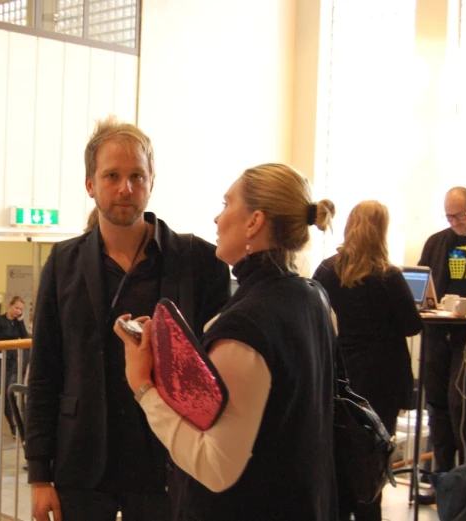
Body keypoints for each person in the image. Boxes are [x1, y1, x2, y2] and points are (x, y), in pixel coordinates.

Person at [25, 116, 231, 521]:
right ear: (90, 185)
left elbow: (219, 371)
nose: (125, 188)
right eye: (112, 176)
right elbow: (46, 372)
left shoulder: (200, 262)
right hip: (82, 465)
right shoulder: (63, 262)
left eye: (137, 175)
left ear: (152, 181)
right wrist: (38, 476)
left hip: (171, 462)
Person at [115, 163, 338, 521]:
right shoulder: (312, 298)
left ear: (254, 222)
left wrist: (143, 387)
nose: (217, 219)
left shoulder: (246, 326)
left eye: (226, 204)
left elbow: (215, 467)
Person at [313, 200, 423, 521]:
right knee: (371, 461)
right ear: (382, 232)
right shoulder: (389, 277)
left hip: (338, 377)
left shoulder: (326, 270)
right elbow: (412, 326)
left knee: (337, 457)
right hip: (381, 379)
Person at [418, 186, 466, 477]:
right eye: (449, 216)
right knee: (436, 404)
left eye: (461, 215)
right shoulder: (437, 243)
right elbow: (420, 285)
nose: (455, 222)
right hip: (438, 334)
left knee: (461, 405)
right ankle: (441, 479)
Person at [0, 295, 30, 436]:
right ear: (10, 306)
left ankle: (20, 423)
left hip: (12, 361)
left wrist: (21, 321)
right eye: (17, 307)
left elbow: (25, 338)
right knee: (5, 391)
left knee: (12, 390)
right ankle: (12, 424)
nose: (18, 311)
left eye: (21, 309)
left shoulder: (17, 323)